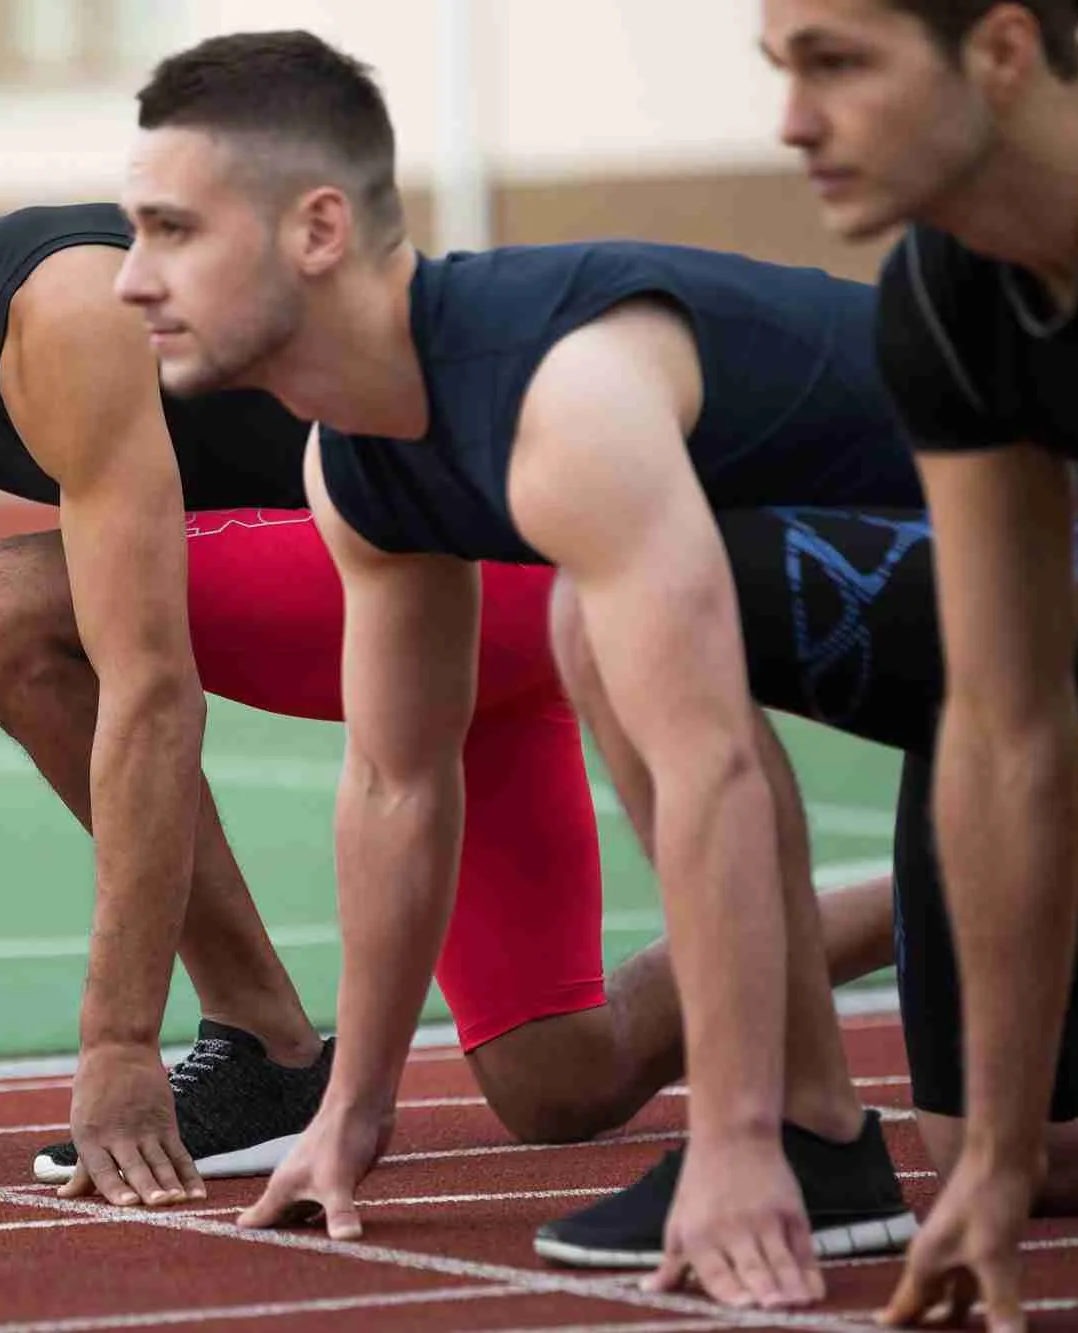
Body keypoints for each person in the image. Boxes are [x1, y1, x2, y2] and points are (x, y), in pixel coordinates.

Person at [0, 34, 639, 1209]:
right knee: (558, 1081)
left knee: (1, 605)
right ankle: (890, 931)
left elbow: (149, 687)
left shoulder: (64, 310)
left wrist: (117, 1044)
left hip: (500, 561)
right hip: (457, 644)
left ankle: (265, 1042)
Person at [112, 29, 932, 1311]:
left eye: (170, 231)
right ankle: (843, 1108)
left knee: (601, 637)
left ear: (316, 230)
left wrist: (730, 1136)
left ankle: (807, 1139)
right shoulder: (357, 459)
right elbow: (395, 781)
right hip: (947, 625)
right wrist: (353, 1108)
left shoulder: (565, 394)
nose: (128, 280)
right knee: (1070, 1149)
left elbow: (708, 764)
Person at [761, 1, 1078, 1326]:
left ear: (1001, 46)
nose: (795, 122)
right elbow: (1005, 719)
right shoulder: (946, 291)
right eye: (782, 71)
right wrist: (996, 1158)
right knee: (1056, 1154)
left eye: (840, 64)